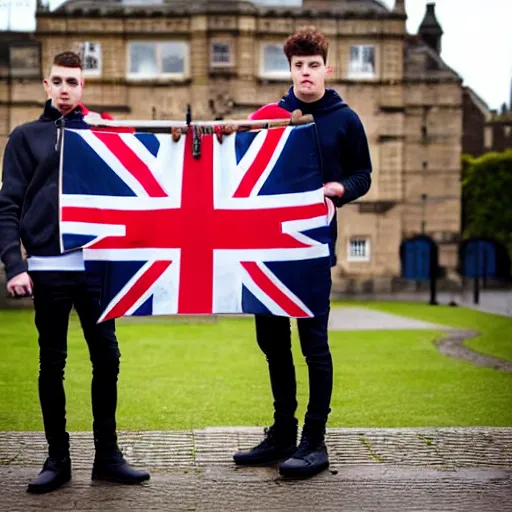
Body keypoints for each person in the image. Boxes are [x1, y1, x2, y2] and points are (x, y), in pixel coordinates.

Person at [0, 51, 149, 493]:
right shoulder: (25, 137)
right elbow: (8, 205)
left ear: (83, 87)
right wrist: (14, 263)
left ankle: (107, 456)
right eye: (58, 81)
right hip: (47, 268)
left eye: (74, 82)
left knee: (108, 357)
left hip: (98, 267)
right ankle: (57, 459)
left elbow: (138, 185)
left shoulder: (103, 134)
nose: (65, 89)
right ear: (47, 86)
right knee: (53, 363)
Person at [233, 27, 372, 478]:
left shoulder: (346, 119)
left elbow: (363, 175)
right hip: (267, 251)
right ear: (289, 69)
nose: (306, 73)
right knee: (272, 344)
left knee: (313, 345)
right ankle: (282, 434)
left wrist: (340, 188)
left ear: (326, 69)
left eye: (314, 66)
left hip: (311, 249)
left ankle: (314, 441)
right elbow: (232, 157)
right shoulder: (268, 116)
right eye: (298, 66)